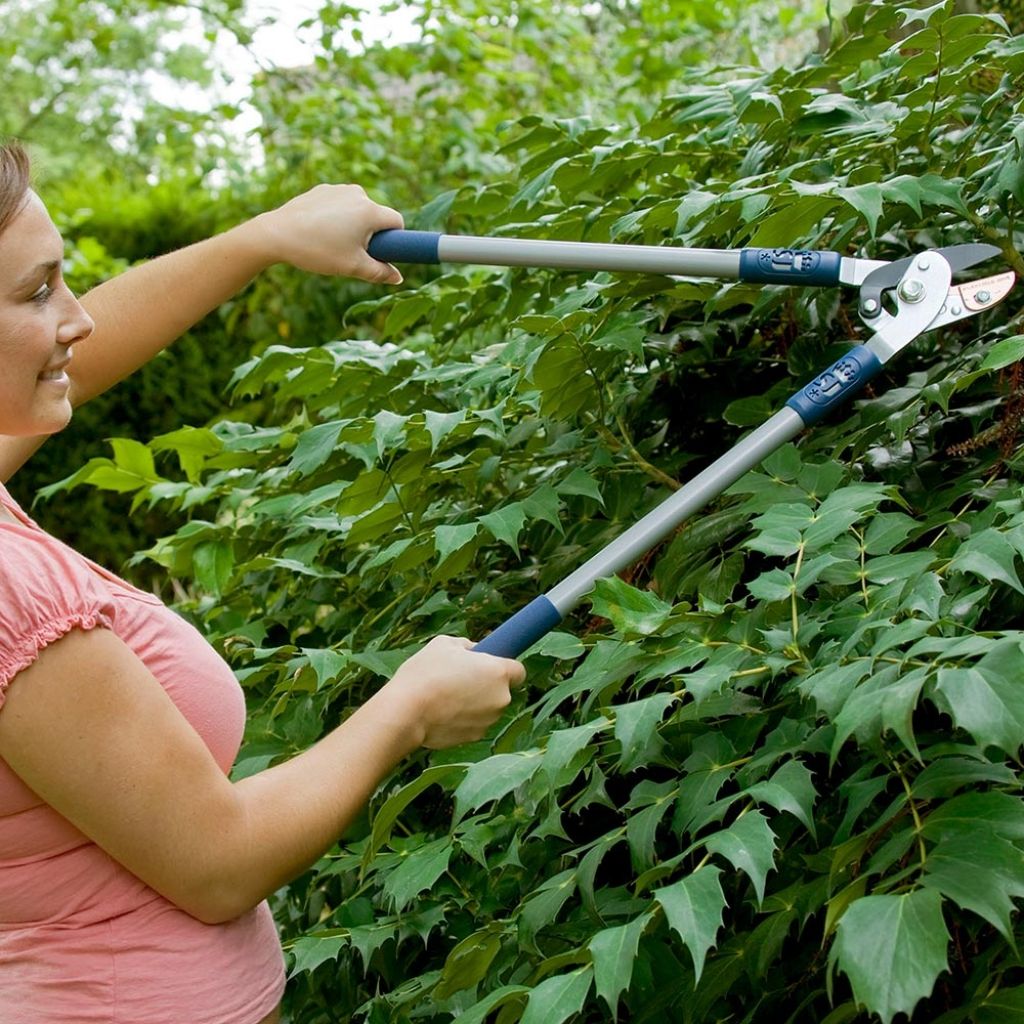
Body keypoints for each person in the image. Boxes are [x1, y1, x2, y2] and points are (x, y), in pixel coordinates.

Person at [0, 139, 526, 1024]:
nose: (77, 319)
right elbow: (217, 865)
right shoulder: (14, 595)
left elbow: (67, 367)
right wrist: (408, 708)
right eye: (38, 290)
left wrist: (265, 238)